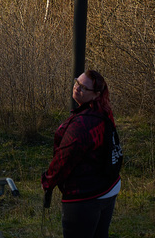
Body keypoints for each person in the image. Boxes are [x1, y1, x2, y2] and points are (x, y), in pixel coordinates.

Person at [42, 69, 122, 238]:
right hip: (109, 187)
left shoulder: (82, 124)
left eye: (84, 88)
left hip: (85, 196)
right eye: (77, 82)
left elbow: (64, 158)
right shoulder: (104, 111)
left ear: (96, 94)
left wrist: (48, 181)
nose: (77, 88)